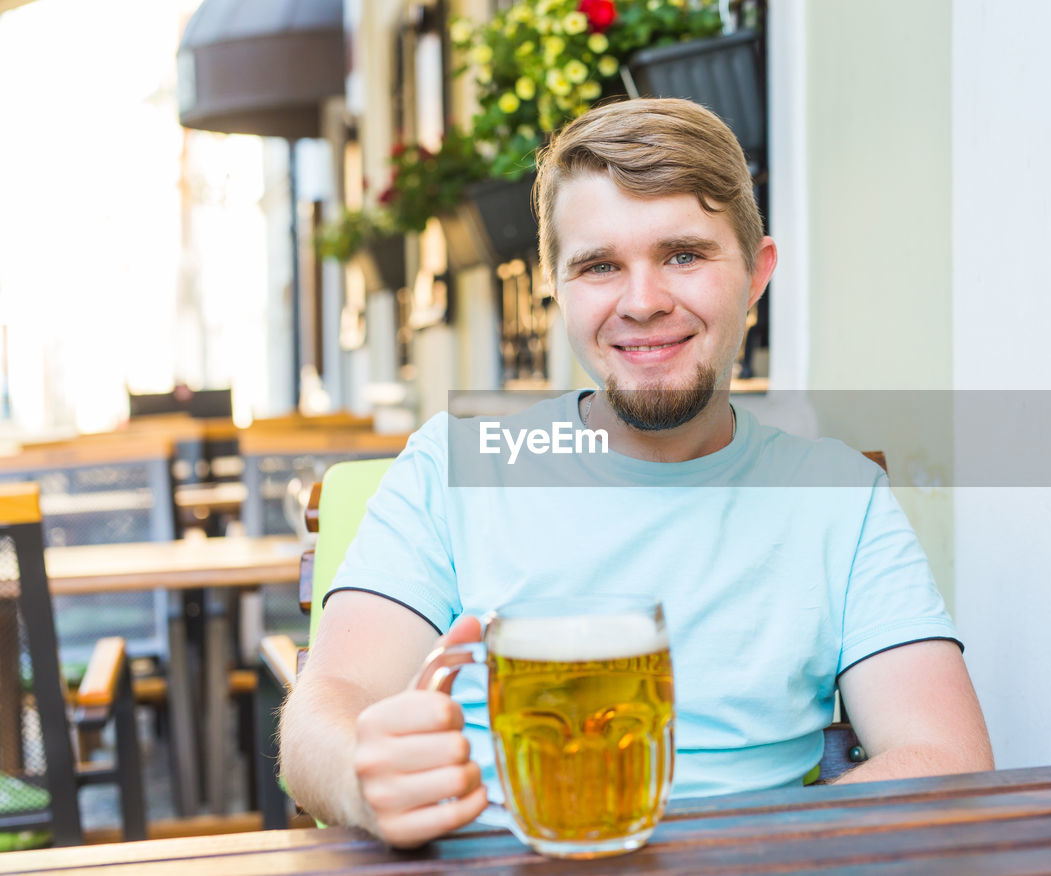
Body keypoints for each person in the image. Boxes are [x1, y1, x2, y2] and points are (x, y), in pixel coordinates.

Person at [279, 98, 993, 849]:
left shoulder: (839, 498)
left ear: (756, 274)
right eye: (599, 266)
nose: (644, 302)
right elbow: (327, 708)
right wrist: (365, 771)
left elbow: (947, 759)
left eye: (683, 254)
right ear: (556, 286)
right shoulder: (454, 468)